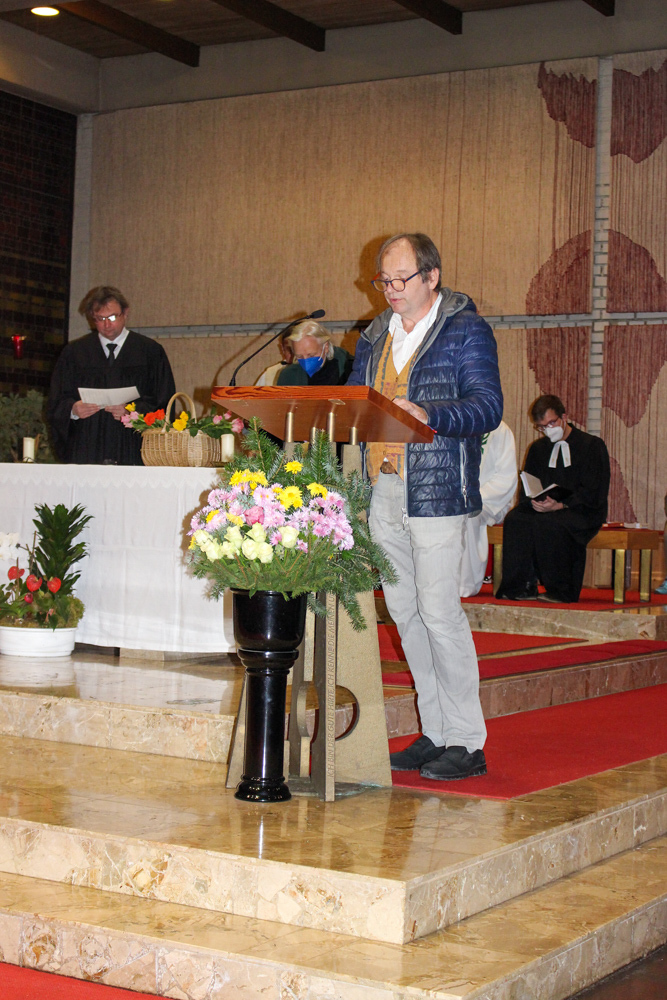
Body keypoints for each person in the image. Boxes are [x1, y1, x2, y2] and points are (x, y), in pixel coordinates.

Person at [347, 232, 503, 780]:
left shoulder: (465, 330)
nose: (390, 289)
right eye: (383, 280)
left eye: (401, 278)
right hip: (383, 489)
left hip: (436, 490)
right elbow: (353, 405)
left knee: (439, 614)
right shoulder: (373, 337)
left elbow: (487, 406)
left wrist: (428, 414)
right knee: (407, 614)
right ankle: (436, 731)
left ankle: (467, 740)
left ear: (432, 276)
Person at [496, 394, 610, 603]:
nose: (547, 430)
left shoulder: (591, 446)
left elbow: (595, 489)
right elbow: (529, 484)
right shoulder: (538, 449)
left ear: (564, 417)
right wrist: (534, 501)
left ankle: (562, 590)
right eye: (541, 427)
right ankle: (521, 586)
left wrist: (562, 504)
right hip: (546, 508)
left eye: (551, 423)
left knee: (551, 523)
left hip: (581, 509)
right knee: (516, 519)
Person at [48, 286, 175, 465]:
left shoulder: (150, 352)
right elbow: (57, 400)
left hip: (132, 446)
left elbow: (164, 401)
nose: (107, 325)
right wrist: (73, 409)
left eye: (113, 317)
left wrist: (133, 412)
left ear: (126, 313)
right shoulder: (75, 353)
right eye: (100, 319)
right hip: (88, 446)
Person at [459, 420, 517, 597]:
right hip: (458, 497)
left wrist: (475, 497)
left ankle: (464, 584)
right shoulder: (459, 423)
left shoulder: (500, 430)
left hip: (493, 500)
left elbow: (506, 477)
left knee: (467, 513)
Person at [276, 319, 353, 386]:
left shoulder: (350, 369)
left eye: (311, 355)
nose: (305, 361)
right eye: (299, 356)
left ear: (326, 347)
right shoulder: (288, 376)